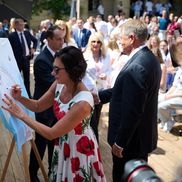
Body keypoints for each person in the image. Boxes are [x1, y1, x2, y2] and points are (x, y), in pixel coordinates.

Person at [2, 46, 106, 182]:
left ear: (72, 70)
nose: (52, 73)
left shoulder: (83, 102)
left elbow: (51, 133)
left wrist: (22, 115)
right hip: (64, 142)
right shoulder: (60, 84)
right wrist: (20, 98)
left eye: (57, 69)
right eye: (53, 68)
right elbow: (38, 105)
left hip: (78, 147)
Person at [98, 19, 161, 182]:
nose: (119, 41)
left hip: (130, 143)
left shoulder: (136, 67)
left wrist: (120, 142)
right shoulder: (150, 58)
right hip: (140, 138)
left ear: (132, 38)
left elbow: (133, 110)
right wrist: (99, 96)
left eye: (122, 37)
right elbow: (126, 91)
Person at [29, 25, 65, 182]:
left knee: (54, 142)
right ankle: (32, 173)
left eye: (63, 38)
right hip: (43, 108)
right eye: (58, 39)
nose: (62, 42)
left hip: (55, 108)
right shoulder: (42, 60)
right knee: (40, 144)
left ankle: (53, 170)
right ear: (49, 39)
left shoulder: (59, 56)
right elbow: (55, 83)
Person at [8, 18, 37, 98]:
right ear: (16, 25)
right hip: (17, 60)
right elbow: (9, 48)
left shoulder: (27, 33)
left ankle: (28, 95)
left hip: (26, 59)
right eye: (20, 25)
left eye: (23, 24)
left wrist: (33, 48)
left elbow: (35, 40)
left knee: (27, 79)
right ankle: (16, 95)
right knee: (16, 78)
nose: (22, 26)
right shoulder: (12, 36)